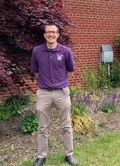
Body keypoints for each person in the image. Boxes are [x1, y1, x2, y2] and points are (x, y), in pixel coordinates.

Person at [30, 24, 78, 166]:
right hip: (43, 93)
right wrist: (46, 83)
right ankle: (41, 156)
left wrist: (59, 82)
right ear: (44, 35)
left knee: (67, 125)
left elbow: (70, 71)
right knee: (42, 127)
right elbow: (36, 71)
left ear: (58, 35)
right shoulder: (37, 51)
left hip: (62, 93)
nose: (51, 35)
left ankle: (69, 155)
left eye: (54, 32)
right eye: (48, 32)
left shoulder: (65, 51)